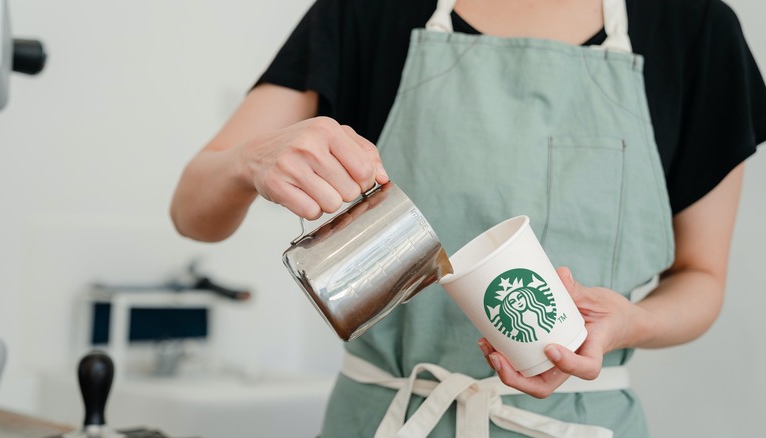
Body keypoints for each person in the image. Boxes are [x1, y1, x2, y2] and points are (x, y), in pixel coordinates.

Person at [170, 0, 766, 435]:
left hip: (584, 425)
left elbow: (701, 277)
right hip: (387, 417)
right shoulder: (365, 12)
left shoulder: (695, 28)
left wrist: (630, 322)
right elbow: (191, 213)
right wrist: (250, 161)